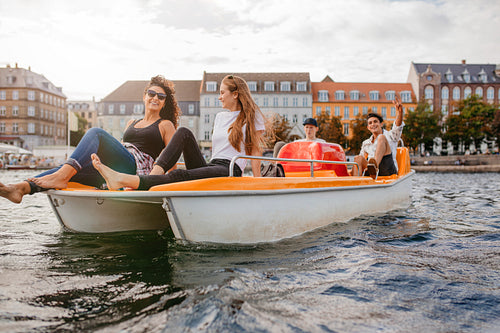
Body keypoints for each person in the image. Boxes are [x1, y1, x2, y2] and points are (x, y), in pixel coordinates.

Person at [0, 75, 180, 203]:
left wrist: (153, 182)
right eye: (152, 93)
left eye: (161, 96)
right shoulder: (132, 122)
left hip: (136, 169)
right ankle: (20, 188)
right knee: (71, 171)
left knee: (96, 133)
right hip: (116, 167)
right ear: (144, 96)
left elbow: (171, 160)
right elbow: (120, 149)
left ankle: (60, 176)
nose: (155, 98)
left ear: (164, 102)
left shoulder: (165, 125)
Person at [91, 74, 266, 191]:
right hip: (212, 166)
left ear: (235, 94)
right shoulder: (220, 117)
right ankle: (151, 178)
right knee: (183, 132)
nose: (219, 97)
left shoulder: (251, 116)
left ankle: (133, 181)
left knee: (179, 175)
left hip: (229, 169)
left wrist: (258, 181)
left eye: (222, 93)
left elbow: (256, 150)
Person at [351, 96, 404, 178]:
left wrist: (400, 113)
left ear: (381, 124)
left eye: (375, 122)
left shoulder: (391, 135)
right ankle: (355, 184)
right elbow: (360, 163)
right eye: (370, 123)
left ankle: (374, 166)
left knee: (381, 137)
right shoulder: (366, 143)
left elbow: (398, 126)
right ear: (368, 127)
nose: (373, 124)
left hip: (388, 170)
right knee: (358, 158)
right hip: (372, 172)